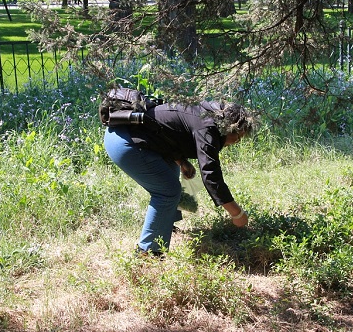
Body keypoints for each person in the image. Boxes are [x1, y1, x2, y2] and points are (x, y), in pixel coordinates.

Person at [103, 100, 256, 256]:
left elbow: (167, 131)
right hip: (124, 142)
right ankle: (148, 252)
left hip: (127, 133)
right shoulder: (208, 127)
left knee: (171, 171)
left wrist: (181, 161)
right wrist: (237, 214)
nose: (236, 142)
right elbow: (211, 176)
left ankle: (165, 224)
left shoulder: (208, 112)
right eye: (238, 137)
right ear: (229, 128)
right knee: (168, 191)